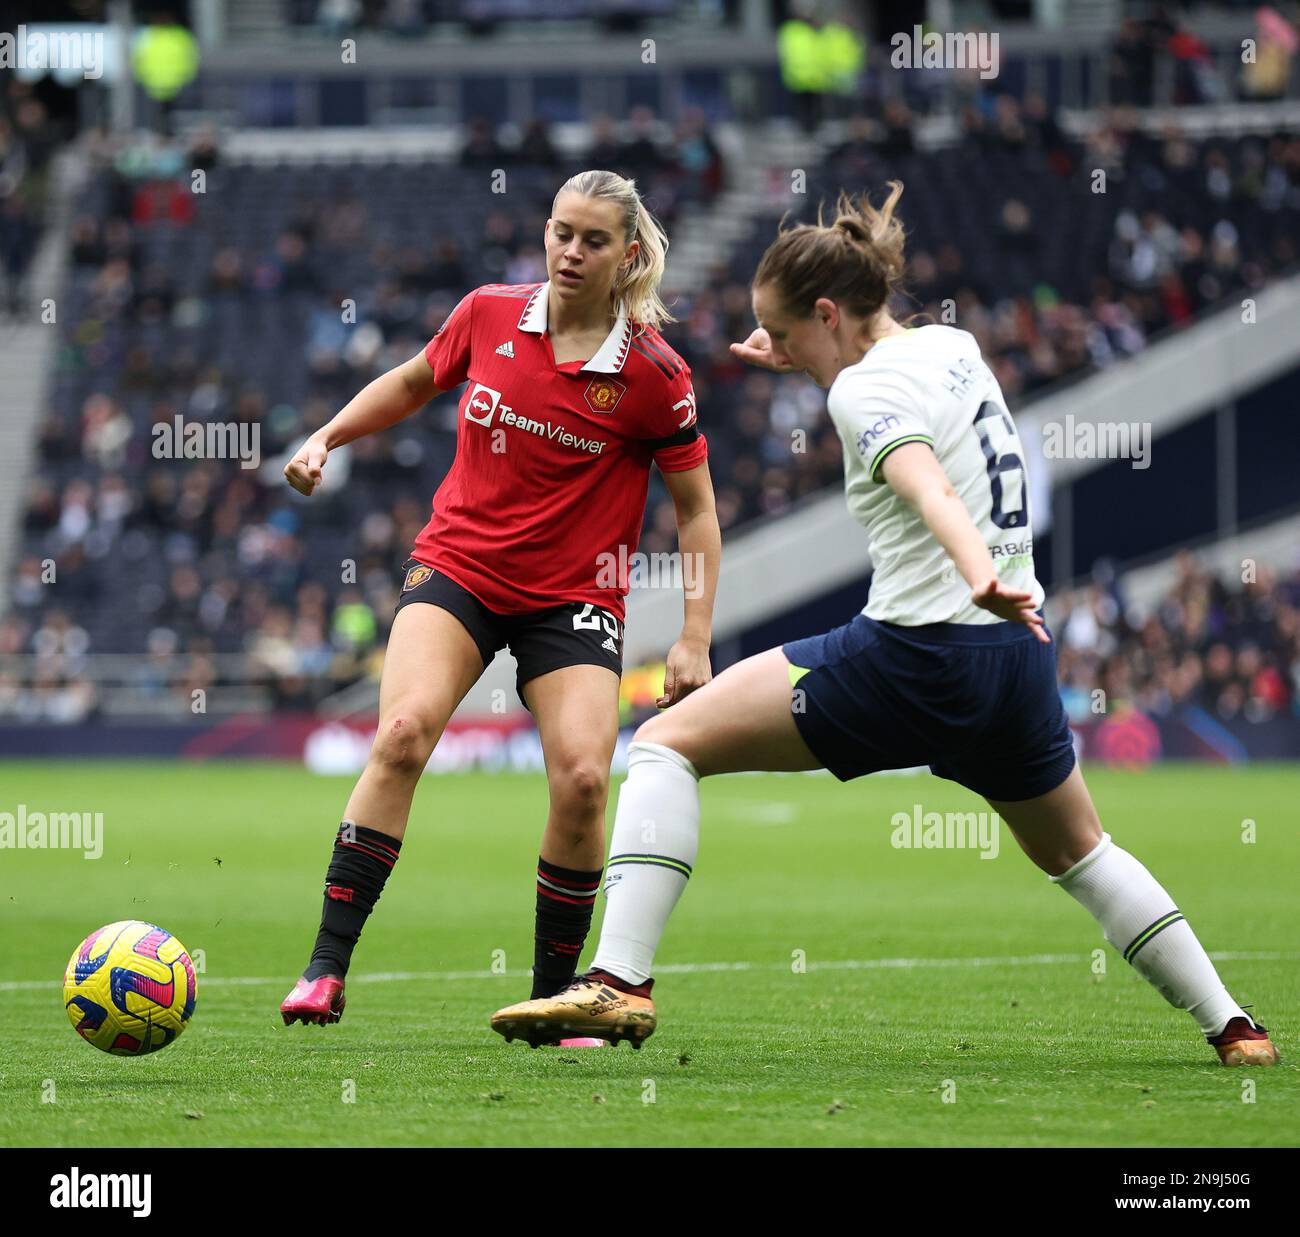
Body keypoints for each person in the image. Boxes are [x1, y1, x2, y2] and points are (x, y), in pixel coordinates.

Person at [489, 183, 1278, 1069]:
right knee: (1083, 852)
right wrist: (802, 359)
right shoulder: (953, 346)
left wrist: (975, 570)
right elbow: (902, 410)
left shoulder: (860, 398)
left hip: (918, 654)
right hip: (1017, 658)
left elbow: (924, 481)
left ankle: (620, 980)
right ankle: (1233, 1024)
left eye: (784, 336)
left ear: (827, 313)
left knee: (669, 742)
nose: (776, 353)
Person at [278, 170, 721, 1044]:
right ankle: (325, 967)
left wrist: (696, 634)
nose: (569, 251)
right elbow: (411, 382)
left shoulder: (654, 375)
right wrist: (326, 435)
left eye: (593, 240)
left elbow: (696, 508)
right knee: (401, 732)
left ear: (628, 254)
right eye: (561, 232)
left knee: (588, 779)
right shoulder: (487, 313)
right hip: (461, 567)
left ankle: (554, 999)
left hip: (574, 597)